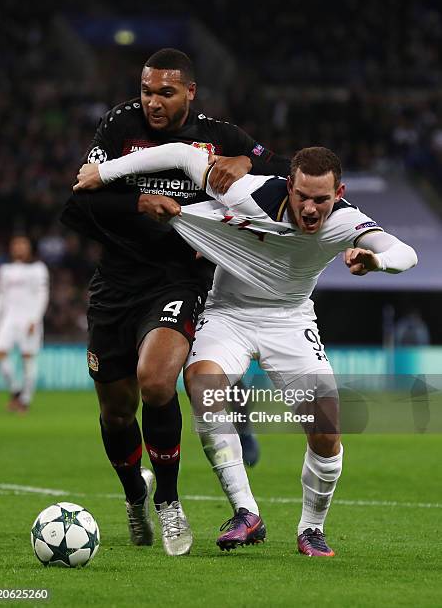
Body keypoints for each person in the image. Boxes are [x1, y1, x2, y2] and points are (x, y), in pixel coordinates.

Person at [73, 141, 417, 556]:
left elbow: (405, 252)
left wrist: (376, 262)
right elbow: (183, 154)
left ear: (339, 194)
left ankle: (312, 528)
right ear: (288, 185)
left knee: (326, 432)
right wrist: (105, 172)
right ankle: (245, 512)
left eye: (321, 200)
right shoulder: (245, 191)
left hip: (290, 321)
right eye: (302, 196)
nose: (310, 209)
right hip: (227, 313)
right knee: (202, 385)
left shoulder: (346, 223)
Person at [61, 48, 288, 556]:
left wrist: (243, 159)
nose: (153, 101)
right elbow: (80, 199)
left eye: (165, 92)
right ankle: (134, 496)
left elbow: (283, 169)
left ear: (190, 92)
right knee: (118, 412)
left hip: (176, 282)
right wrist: (139, 201)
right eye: (147, 91)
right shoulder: (120, 125)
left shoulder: (217, 135)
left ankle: (168, 503)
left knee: (157, 381)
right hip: (115, 285)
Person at [0, 235, 49, 413]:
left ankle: (25, 400)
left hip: (29, 319)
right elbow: (0, 295)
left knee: (27, 359)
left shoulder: (38, 269)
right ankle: (16, 389)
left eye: (22, 244)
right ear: (11, 248)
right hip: (8, 318)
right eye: (16, 245)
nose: (19, 248)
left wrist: (36, 319)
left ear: (29, 248)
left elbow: (42, 295)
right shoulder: (5, 270)